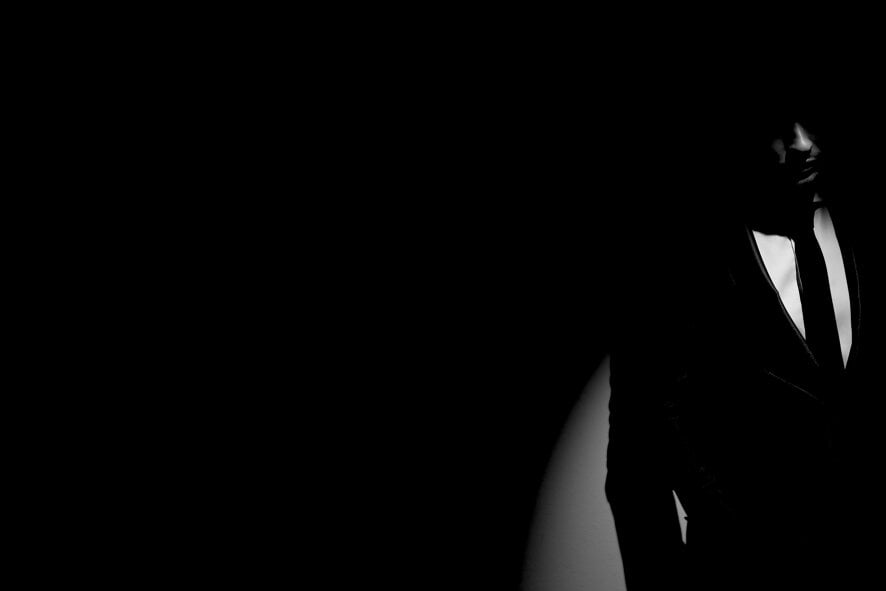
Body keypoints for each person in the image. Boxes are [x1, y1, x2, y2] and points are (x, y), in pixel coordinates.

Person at [606, 106, 883, 590]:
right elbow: (636, 468)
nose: (800, 145)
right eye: (778, 126)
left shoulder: (870, 234)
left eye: (810, 119)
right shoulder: (677, 266)